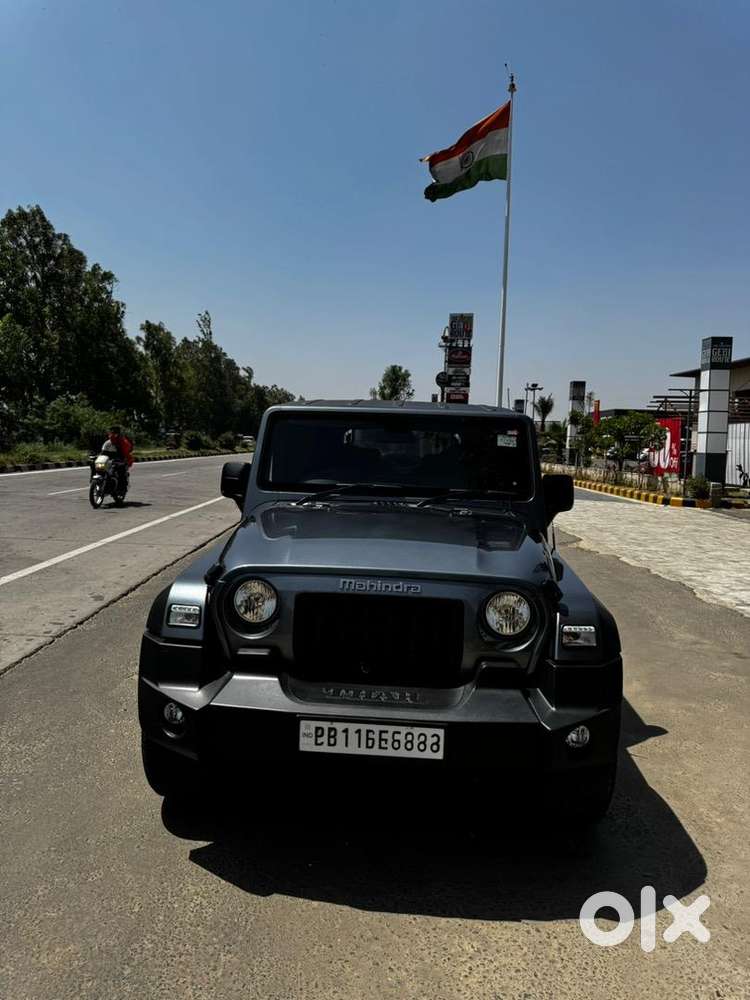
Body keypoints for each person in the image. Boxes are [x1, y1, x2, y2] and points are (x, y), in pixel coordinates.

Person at [103, 425, 134, 495]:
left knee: (120, 468)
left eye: (115, 433)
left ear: (118, 433)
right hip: (111, 460)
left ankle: (121, 489)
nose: (112, 435)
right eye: (111, 433)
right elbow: (103, 452)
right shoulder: (107, 443)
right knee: (95, 464)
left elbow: (127, 454)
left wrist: (124, 460)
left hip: (123, 460)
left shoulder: (124, 442)